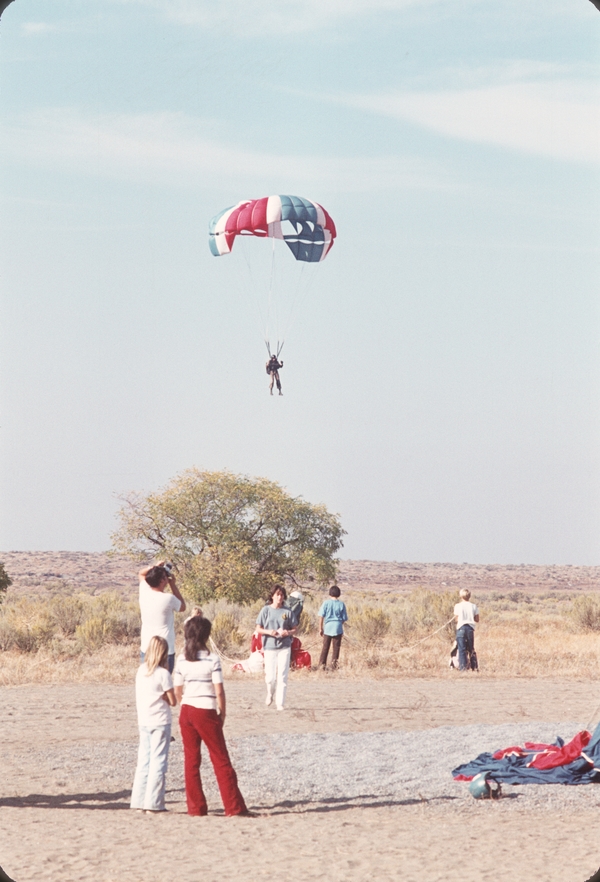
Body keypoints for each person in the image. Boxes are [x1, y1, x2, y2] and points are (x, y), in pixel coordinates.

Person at [174, 616, 248, 817]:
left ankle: (196, 808)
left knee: (191, 761)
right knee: (220, 759)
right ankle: (233, 807)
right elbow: (219, 691)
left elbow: (177, 689)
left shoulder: (182, 658)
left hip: (187, 710)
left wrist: (185, 703)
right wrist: (222, 713)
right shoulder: (212, 659)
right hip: (205, 709)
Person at [130, 635, 177, 814]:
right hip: (160, 720)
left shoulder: (141, 670)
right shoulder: (163, 674)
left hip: (144, 719)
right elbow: (173, 701)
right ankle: (154, 803)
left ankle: (138, 801)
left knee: (144, 761)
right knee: (158, 762)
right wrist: (165, 696)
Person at [139, 562, 186, 674]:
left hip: (147, 647)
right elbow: (182, 607)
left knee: (149, 682)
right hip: (166, 648)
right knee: (165, 682)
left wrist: (154, 566)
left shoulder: (144, 592)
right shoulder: (168, 598)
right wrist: (173, 585)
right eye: (165, 577)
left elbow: (141, 574)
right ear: (162, 581)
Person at [255, 584, 297, 710]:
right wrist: (269, 632)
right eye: (277, 594)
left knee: (282, 675)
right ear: (272, 596)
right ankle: (270, 693)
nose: (280, 597)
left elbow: (295, 628)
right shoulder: (266, 610)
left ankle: (280, 703)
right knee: (270, 677)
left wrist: (288, 633)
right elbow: (258, 628)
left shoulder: (287, 611)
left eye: (282, 595)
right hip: (269, 646)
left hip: (284, 646)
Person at [318, 585, 348, 670]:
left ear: (330, 593)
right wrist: (339, 624)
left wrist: (320, 628)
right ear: (339, 594)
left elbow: (321, 616)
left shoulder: (326, 603)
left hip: (328, 628)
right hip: (338, 628)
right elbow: (344, 618)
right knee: (336, 648)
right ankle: (334, 666)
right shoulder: (341, 604)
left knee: (325, 647)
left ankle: (321, 665)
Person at [454, 588, 479, 671]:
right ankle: (474, 667)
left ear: (461, 596)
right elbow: (477, 619)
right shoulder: (473, 606)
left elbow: (456, 619)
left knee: (462, 649)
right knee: (471, 649)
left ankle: (463, 669)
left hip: (461, 628)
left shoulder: (457, 606)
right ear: (469, 596)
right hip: (470, 629)